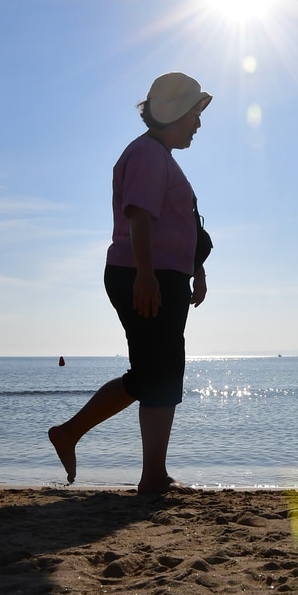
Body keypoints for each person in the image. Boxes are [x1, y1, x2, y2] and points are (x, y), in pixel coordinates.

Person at [50, 72, 211, 495]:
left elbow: (186, 226)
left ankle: (91, 444)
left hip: (161, 274)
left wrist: (197, 270)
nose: (198, 124)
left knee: (157, 372)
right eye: (195, 114)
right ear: (175, 113)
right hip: (145, 274)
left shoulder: (161, 157)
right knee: (157, 371)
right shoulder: (146, 154)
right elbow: (139, 216)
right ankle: (142, 471)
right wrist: (145, 274)